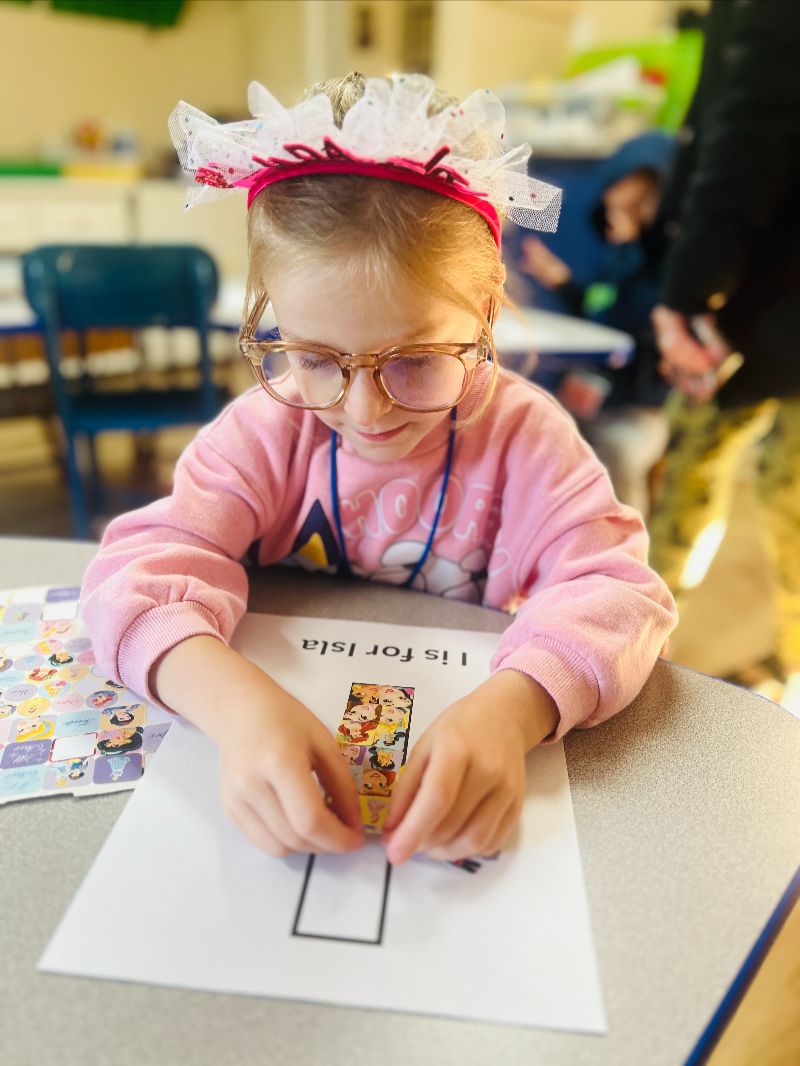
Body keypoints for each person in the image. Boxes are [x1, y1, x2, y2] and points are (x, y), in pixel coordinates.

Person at [80, 72, 677, 865]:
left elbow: (621, 596)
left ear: (487, 312)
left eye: (419, 360)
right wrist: (235, 708)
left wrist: (512, 710)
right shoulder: (268, 429)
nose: (365, 412)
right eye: (317, 359)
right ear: (274, 323)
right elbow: (135, 572)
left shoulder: (527, 438)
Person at [649, 0, 800, 707]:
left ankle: (630, 641)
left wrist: (689, 290)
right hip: (760, 292)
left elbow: (749, 127)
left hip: (757, 296)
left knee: (699, 471)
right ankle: (791, 665)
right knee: (785, 488)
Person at [516, 132, 675, 516]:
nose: (622, 219)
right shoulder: (616, 261)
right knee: (537, 438)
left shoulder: (670, 270)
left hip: (638, 409)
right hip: (588, 398)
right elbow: (597, 309)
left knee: (617, 450)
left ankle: (629, 564)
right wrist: (563, 282)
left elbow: (640, 323)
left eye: (638, 206)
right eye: (616, 208)